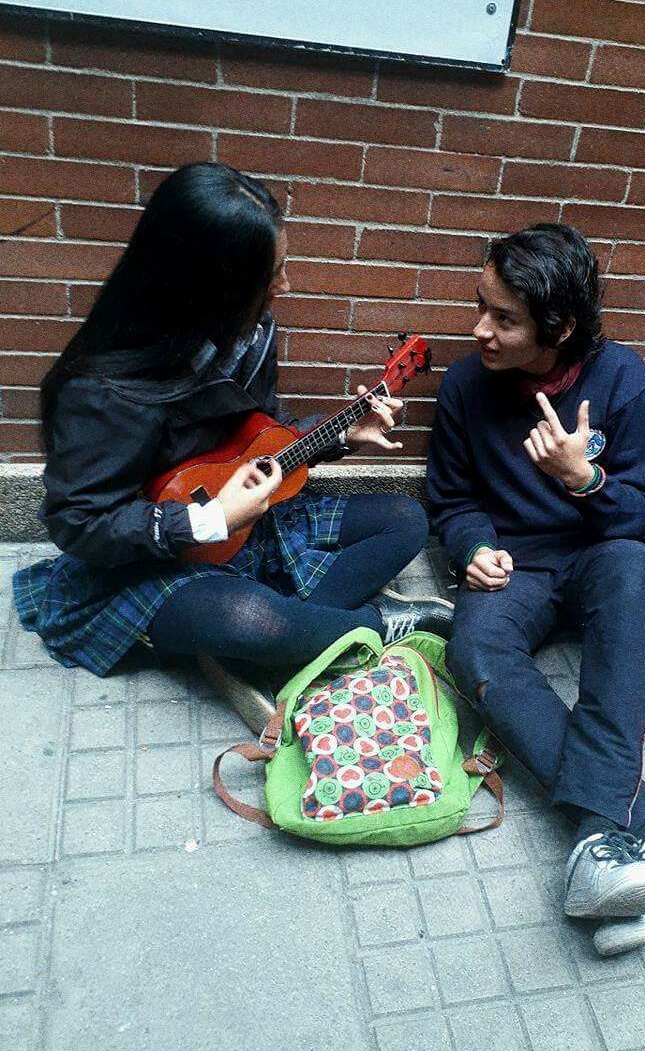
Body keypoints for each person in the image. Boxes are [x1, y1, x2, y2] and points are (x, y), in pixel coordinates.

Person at [13, 162, 451, 728]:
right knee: (251, 620)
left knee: (407, 520)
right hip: (150, 556)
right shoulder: (101, 391)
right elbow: (78, 522)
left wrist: (342, 434)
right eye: (270, 277)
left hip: (250, 525)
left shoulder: (250, 331)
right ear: (208, 288)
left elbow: (258, 433)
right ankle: (366, 624)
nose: (284, 287)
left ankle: (268, 644)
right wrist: (207, 519)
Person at [426, 223, 645, 956]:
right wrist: (474, 546)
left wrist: (580, 478)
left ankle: (602, 837)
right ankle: (641, 836)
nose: (480, 330)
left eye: (504, 318)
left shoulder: (621, 376)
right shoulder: (466, 386)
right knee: (477, 648)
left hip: (597, 554)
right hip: (517, 566)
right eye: (480, 307)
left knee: (631, 575)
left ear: (558, 328)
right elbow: (452, 499)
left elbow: (642, 514)